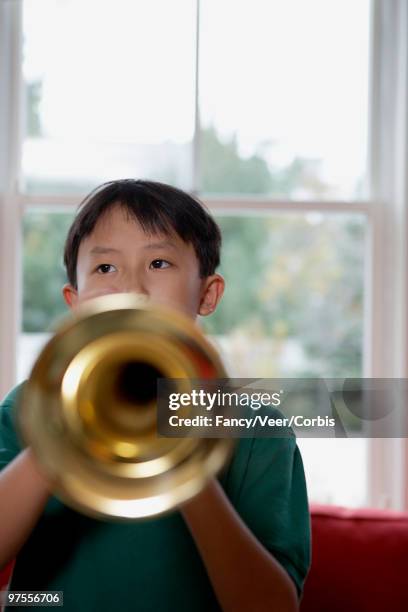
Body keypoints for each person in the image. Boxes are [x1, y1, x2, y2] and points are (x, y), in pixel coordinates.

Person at [0, 179, 310, 611]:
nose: (131, 288)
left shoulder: (259, 429)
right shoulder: (28, 407)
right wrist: (57, 437)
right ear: (76, 300)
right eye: (105, 268)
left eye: (159, 263)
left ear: (207, 294)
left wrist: (186, 466)